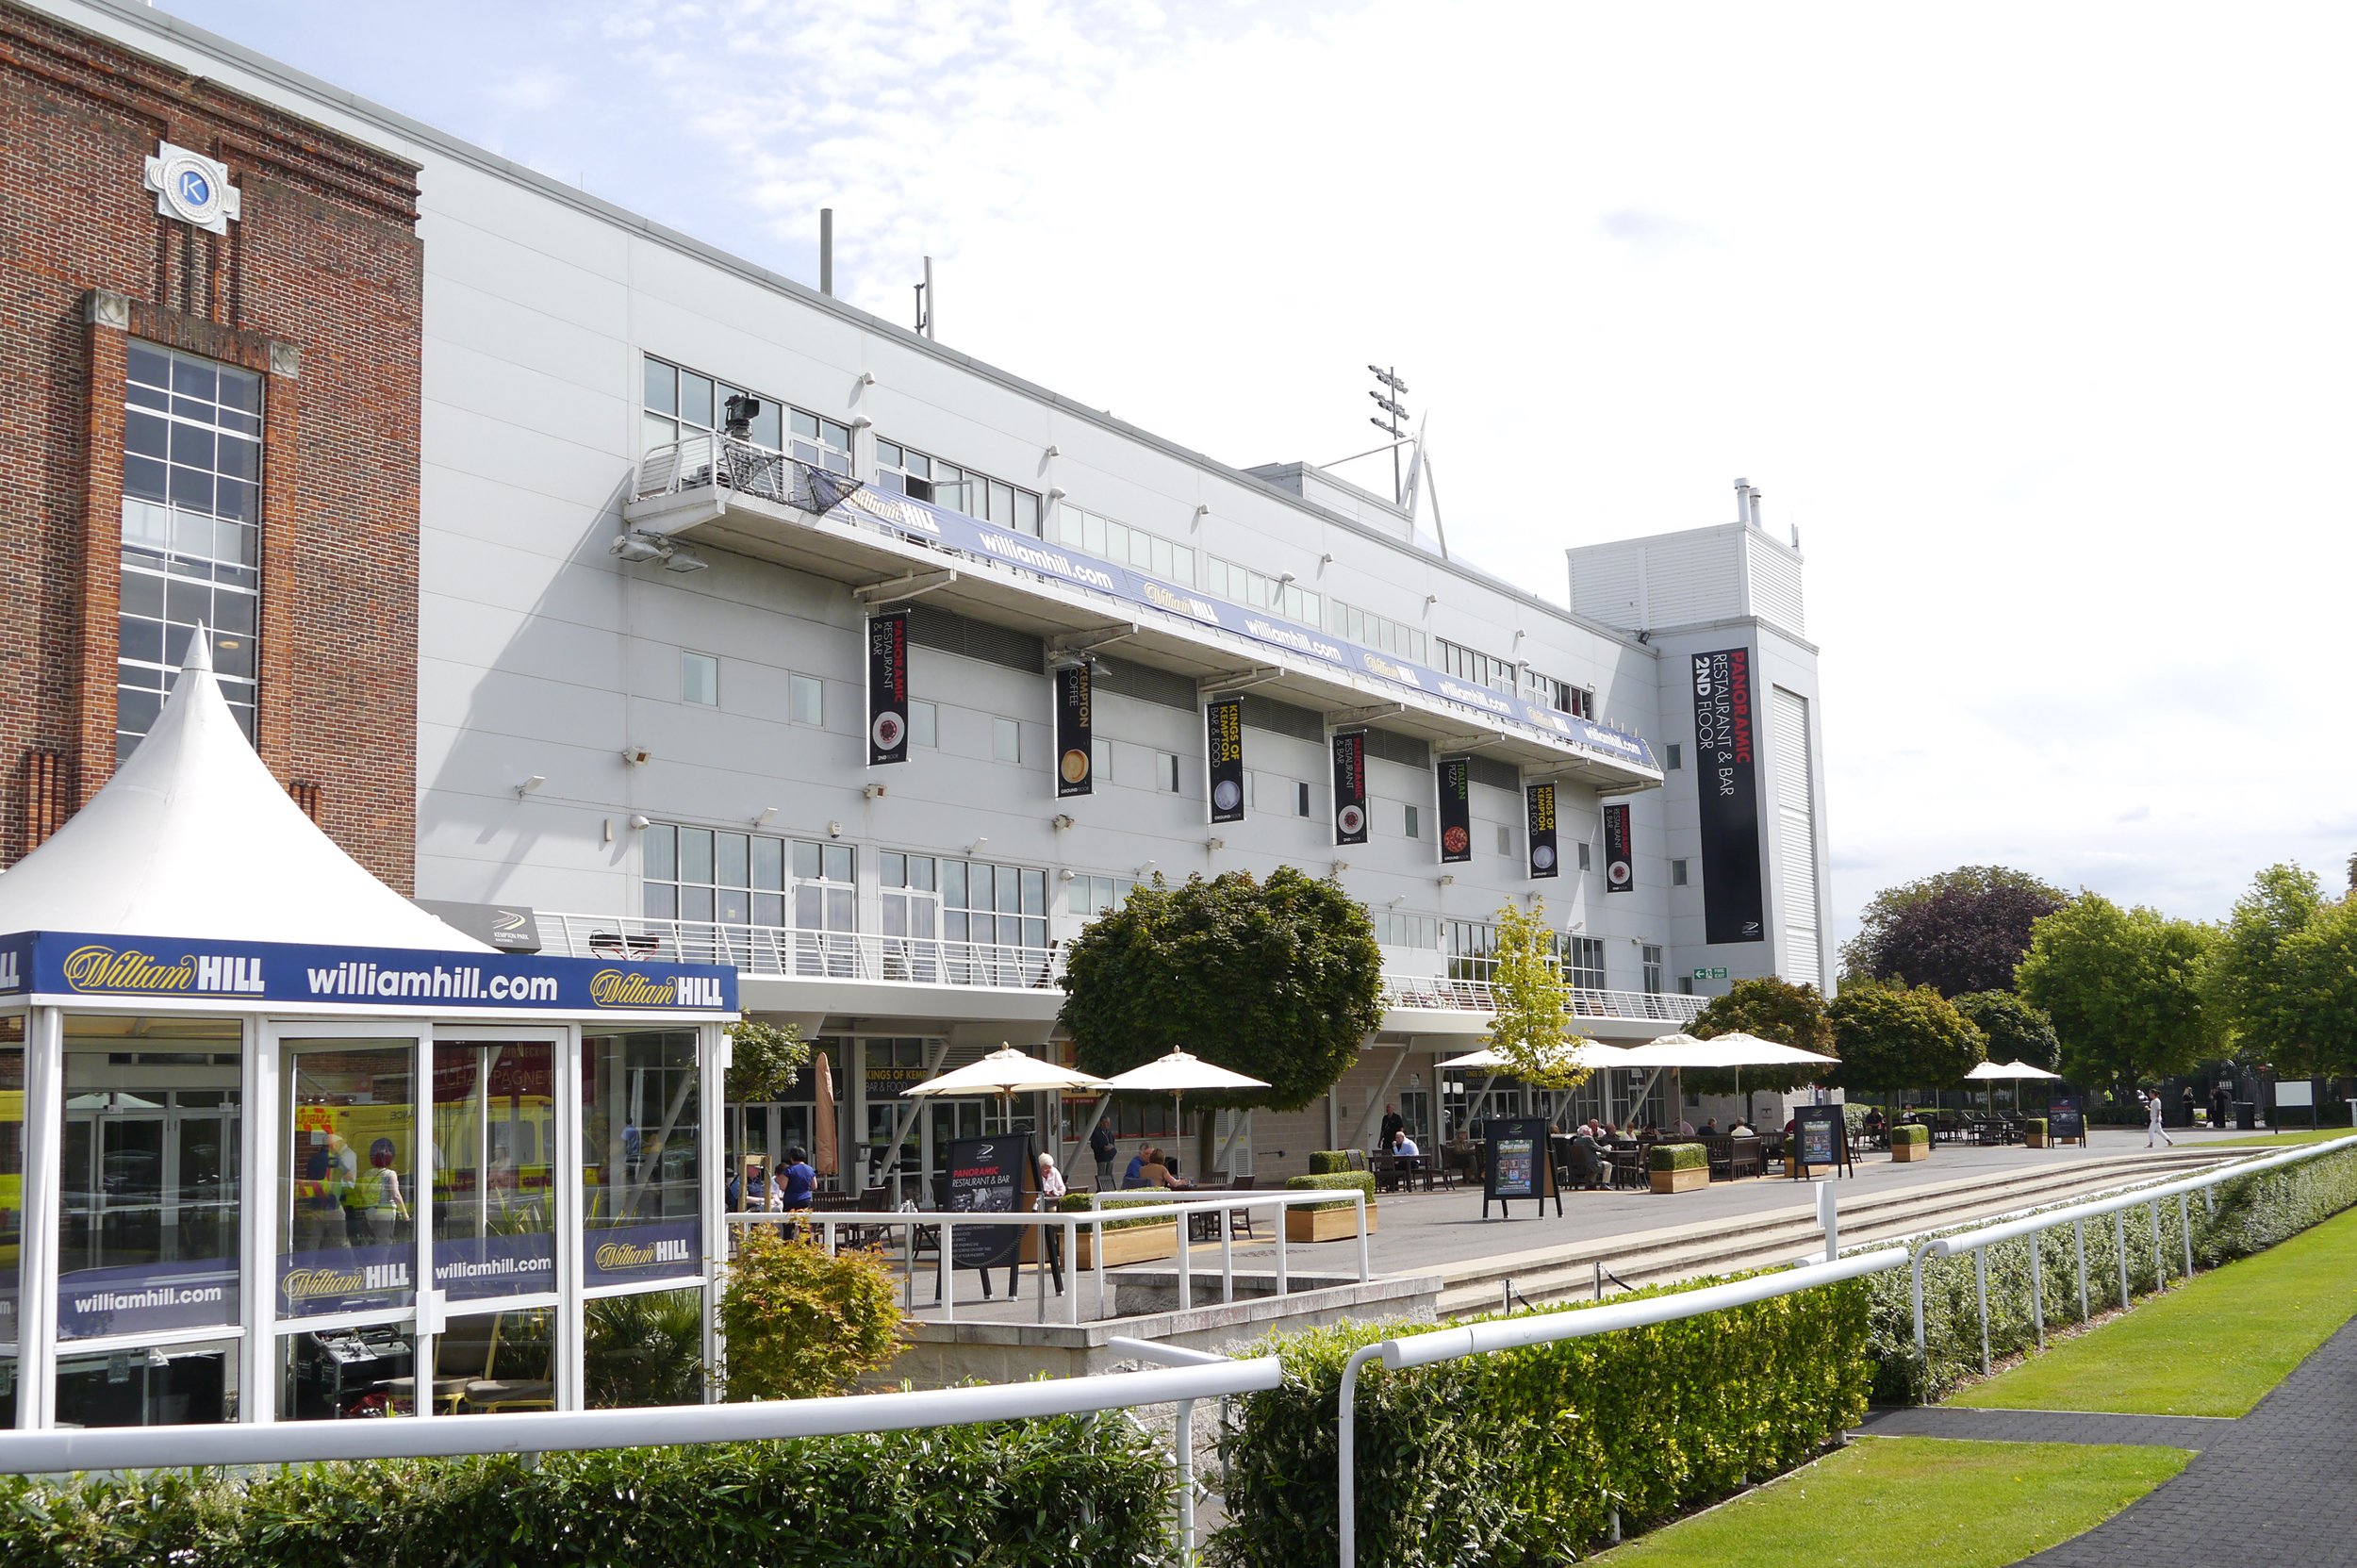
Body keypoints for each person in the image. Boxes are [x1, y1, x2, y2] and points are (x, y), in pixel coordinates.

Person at [363, 1137, 410, 1246]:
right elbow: (396, 1195)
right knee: (384, 1243)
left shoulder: (367, 1173)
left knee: (375, 1241)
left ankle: (374, 1262)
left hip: (369, 1210)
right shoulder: (390, 1174)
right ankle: (382, 1262)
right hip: (385, 1210)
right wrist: (404, 1214)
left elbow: (363, 1193)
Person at [1033, 1151, 1067, 1296]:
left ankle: (1054, 1247)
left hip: (1052, 1203)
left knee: (1055, 1215)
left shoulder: (1054, 1171)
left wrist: (1059, 1192)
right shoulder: (1035, 1174)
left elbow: (1062, 1188)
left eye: (1050, 1168)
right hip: (1037, 1205)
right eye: (1046, 1168)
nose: (1049, 1171)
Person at [777, 1146, 816, 1239]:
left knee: (788, 1227)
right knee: (805, 1226)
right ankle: (806, 1247)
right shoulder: (810, 1169)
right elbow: (814, 1186)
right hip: (805, 1200)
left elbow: (783, 1187)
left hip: (791, 1201)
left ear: (791, 1157)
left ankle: (788, 1247)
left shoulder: (789, 1170)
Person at [1090, 1120, 1118, 1188]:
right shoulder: (1097, 1133)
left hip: (1110, 1157)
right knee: (1102, 1176)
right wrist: (1102, 1148)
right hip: (1101, 1158)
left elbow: (1112, 1142)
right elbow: (1093, 1145)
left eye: (1109, 1122)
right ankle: (1101, 1189)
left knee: (1109, 1176)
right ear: (1101, 1123)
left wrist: (1113, 1151)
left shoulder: (1109, 1133)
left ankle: (1108, 1189)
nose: (1108, 1124)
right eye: (1106, 1122)